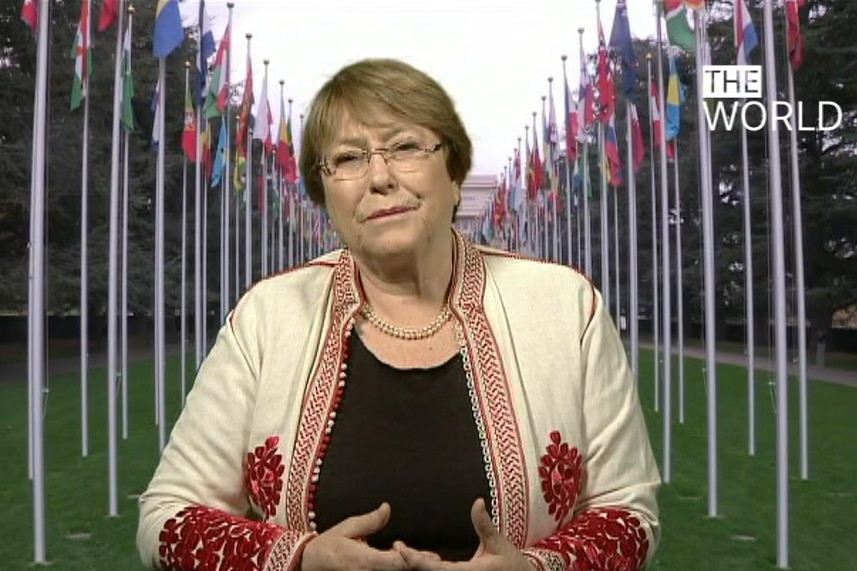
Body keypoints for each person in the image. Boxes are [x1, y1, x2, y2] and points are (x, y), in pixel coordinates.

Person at [137, 57, 660, 571]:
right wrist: (299, 558)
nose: (379, 178)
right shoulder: (267, 317)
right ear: (327, 196)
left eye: (406, 147)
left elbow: (628, 514)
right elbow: (167, 518)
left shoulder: (566, 307)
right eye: (347, 159)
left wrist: (536, 568)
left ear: (454, 175)